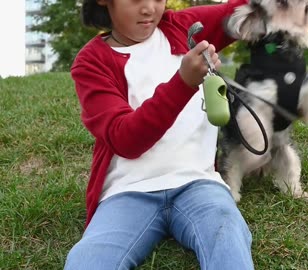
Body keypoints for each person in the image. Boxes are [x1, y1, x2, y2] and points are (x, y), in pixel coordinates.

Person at [64, 0, 254, 269]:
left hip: (198, 184)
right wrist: (183, 83)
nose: (150, 9)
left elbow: (246, 8)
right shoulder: (91, 61)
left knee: (227, 231)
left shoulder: (183, 27)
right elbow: (125, 140)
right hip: (128, 192)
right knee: (88, 260)